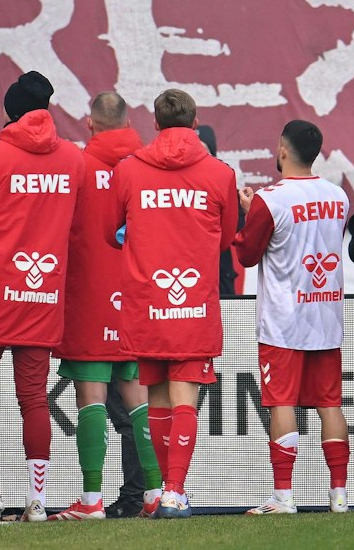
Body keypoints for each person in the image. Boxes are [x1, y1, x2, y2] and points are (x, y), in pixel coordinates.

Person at [0, 71, 87, 522]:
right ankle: (38, 501)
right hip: (42, 294)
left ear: (9, 110)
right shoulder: (73, 160)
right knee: (34, 399)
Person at [106, 89, 238, 520]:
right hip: (193, 302)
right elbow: (227, 236)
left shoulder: (128, 171)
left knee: (158, 396)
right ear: (195, 123)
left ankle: (166, 490)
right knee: (183, 396)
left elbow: (112, 229)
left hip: (147, 301)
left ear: (156, 124)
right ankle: (175, 492)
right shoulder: (220, 173)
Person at [234, 119, 353, 515]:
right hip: (326, 316)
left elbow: (248, 254)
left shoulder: (271, 199)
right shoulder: (338, 196)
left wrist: (251, 213)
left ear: (283, 151)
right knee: (330, 404)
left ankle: (284, 497)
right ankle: (339, 497)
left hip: (284, 319)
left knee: (281, 402)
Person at [51, 92, 154, 521]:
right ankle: (155, 494)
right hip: (137, 294)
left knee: (90, 397)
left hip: (88, 294)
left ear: (89, 125)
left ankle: (91, 501)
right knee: (139, 398)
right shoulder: (149, 166)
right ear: (129, 122)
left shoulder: (76, 166)